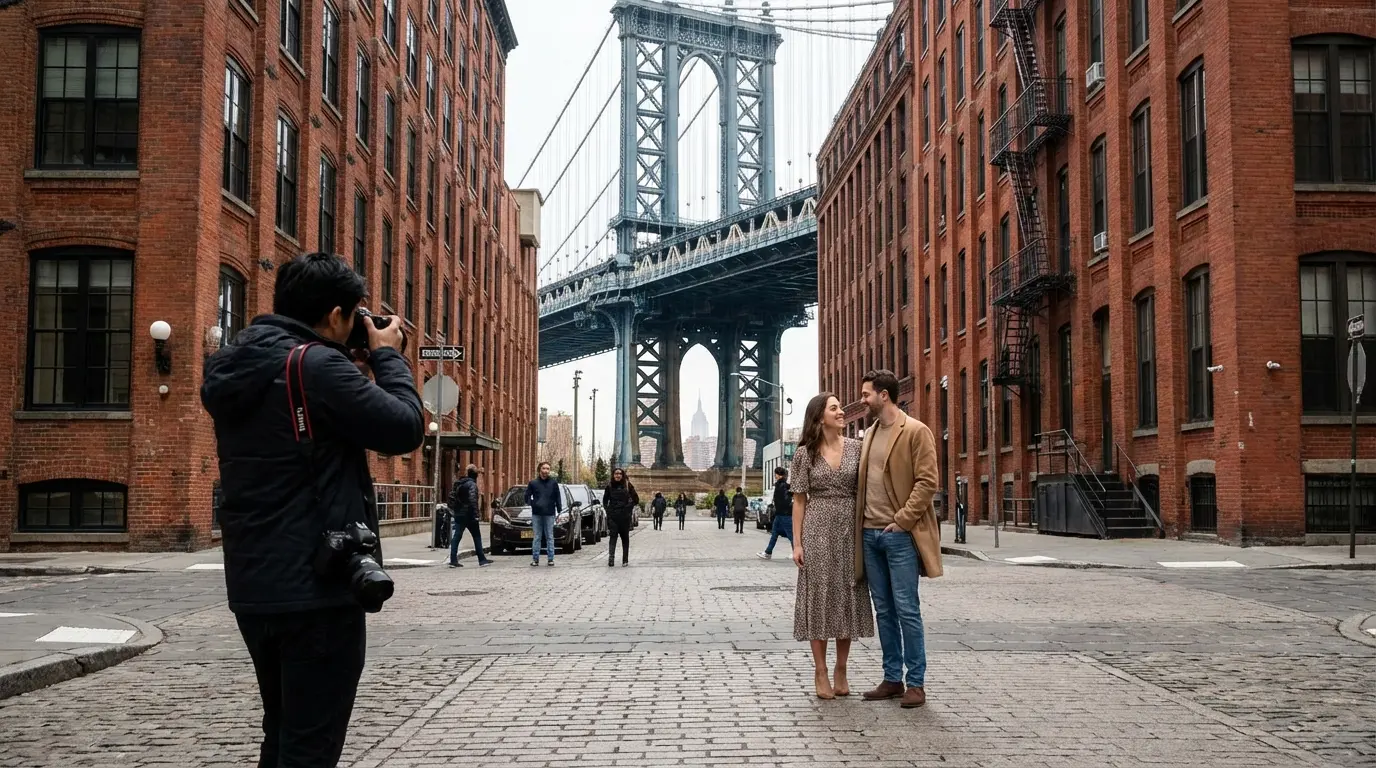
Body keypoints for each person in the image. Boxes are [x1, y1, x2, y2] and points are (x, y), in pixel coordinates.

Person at [201, 252, 425, 766]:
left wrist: (353, 365)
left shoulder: (239, 364)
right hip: (319, 590)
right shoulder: (318, 366)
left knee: (282, 735)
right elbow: (403, 426)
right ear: (335, 317)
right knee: (311, 749)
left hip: (256, 587)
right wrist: (389, 357)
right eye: (356, 315)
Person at [854, 369, 943, 709]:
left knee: (907, 609)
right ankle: (893, 678)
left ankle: (916, 683)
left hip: (898, 536)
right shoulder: (870, 434)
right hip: (870, 535)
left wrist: (902, 521)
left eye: (866, 394)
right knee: (884, 611)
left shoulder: (916, 431)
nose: (863, 400)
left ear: (884, 395)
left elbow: (927, 482)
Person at [789, 392, 874, 700]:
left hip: (850, 530)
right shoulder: (804, 454)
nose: (841, 412)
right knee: (820, 597)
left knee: (847, 595)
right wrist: (797, 543)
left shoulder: (858, 448)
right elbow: (799, 500)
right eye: (834, 408)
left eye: (839, 408)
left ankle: (841, 668)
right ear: (819, 417)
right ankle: (820, 670)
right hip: (817, 529)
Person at [447, 464, 491, 568]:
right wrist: (476, 514)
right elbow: (473, 500)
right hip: (469, 515)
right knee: (477, 537)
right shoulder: (472, 485)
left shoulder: (458, 483)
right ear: (475, 474)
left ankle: (453, 560)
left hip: (459, 514)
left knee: (456, 537)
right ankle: (482, 560)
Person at [525, 461, 562, 567]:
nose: (545, 471)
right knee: (537, 537)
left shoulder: (553, 483)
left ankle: (551, 559)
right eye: (544, 468)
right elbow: (527, 496)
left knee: (550, 536)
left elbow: (557, 497)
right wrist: (533, 504)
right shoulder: (533, 483)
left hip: (550, 513)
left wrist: (559, 510)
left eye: (548, 469)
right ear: (539, 469)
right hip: (537, 513)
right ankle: (535, 559)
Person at [603, 467, 639, 566]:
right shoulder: (609, 486)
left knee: (625, 539)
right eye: (616, 474)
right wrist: (609, 512)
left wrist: (628, 508)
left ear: (622, 475)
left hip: (624, 517)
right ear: (613, 475)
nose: (618, 475)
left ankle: (625, 560)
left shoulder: (628, 485)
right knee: (613, 538)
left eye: (619, 474)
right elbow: (605, 501)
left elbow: (636, 499)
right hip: (613, 517)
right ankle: (611, 559)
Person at [758, 467, 794, 559]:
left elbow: (784, 501)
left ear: (779, 475)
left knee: (791, 535)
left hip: (784, 514)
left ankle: (797, 552)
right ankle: (768, 552)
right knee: (774, 533)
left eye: (776, 474)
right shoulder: (782, 485)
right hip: (779, 514)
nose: (775, 476)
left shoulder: (782, 486)